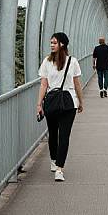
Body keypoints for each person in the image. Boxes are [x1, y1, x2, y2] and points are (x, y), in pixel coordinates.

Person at [36, 32, 84, 182]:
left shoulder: (72, 61)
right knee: (53, 133)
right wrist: (39, 104)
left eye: (54, 42)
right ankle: (54, 159)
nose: (51, 45)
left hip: (65, 102)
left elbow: (77, 83)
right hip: (63, 102)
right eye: (51, 42)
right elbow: (43, 84)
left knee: (63, 135)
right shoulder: (47, 61)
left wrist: (81, 101)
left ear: (62, 44)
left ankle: (59, 168)